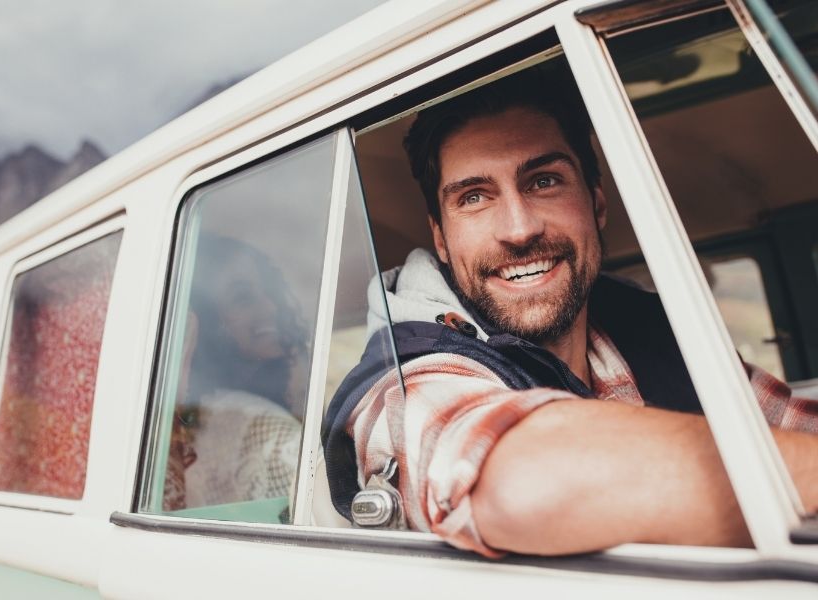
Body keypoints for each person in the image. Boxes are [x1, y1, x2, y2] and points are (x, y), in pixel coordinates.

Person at [321, 66, 818, 557]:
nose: (518, 229)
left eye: (543, 181)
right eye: (474, 196)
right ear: (440, 239)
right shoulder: (408, 373)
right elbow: (517, 480)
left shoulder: (655, 328)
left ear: (597, 204)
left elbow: (786, 423)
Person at [164, 234, 307, 514]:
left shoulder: (214, 409)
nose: (270, 307)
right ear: (207, 320)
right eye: (243, 298)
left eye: (270, 291)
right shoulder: (268, 430)